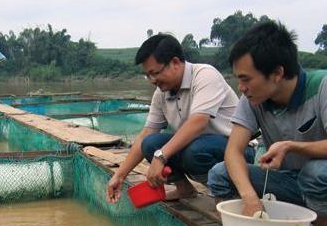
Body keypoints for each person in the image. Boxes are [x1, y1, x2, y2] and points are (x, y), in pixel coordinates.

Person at [207, 21, 327, 226]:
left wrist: (292, 147)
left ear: (277, 73)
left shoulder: (325, 85)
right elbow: (233, 151)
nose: (242, 87)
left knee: (318, 172)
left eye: (246, 79)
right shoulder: (252, 99)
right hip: (290, 181)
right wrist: (250, 198)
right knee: (219, 174)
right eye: (239, 79)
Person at [106, 34, 254, 204]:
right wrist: (119, 175)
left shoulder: (205, 75)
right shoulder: (161, 93)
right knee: (150, 143)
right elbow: (146, 133)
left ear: (175, 63)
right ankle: (184, 189)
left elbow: (198, 122)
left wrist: (161, 156)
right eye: (147, 75)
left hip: (237, 150)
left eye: (155, 73)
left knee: (193, 151)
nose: (152, 80)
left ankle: (226, 194)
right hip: (199, 147)